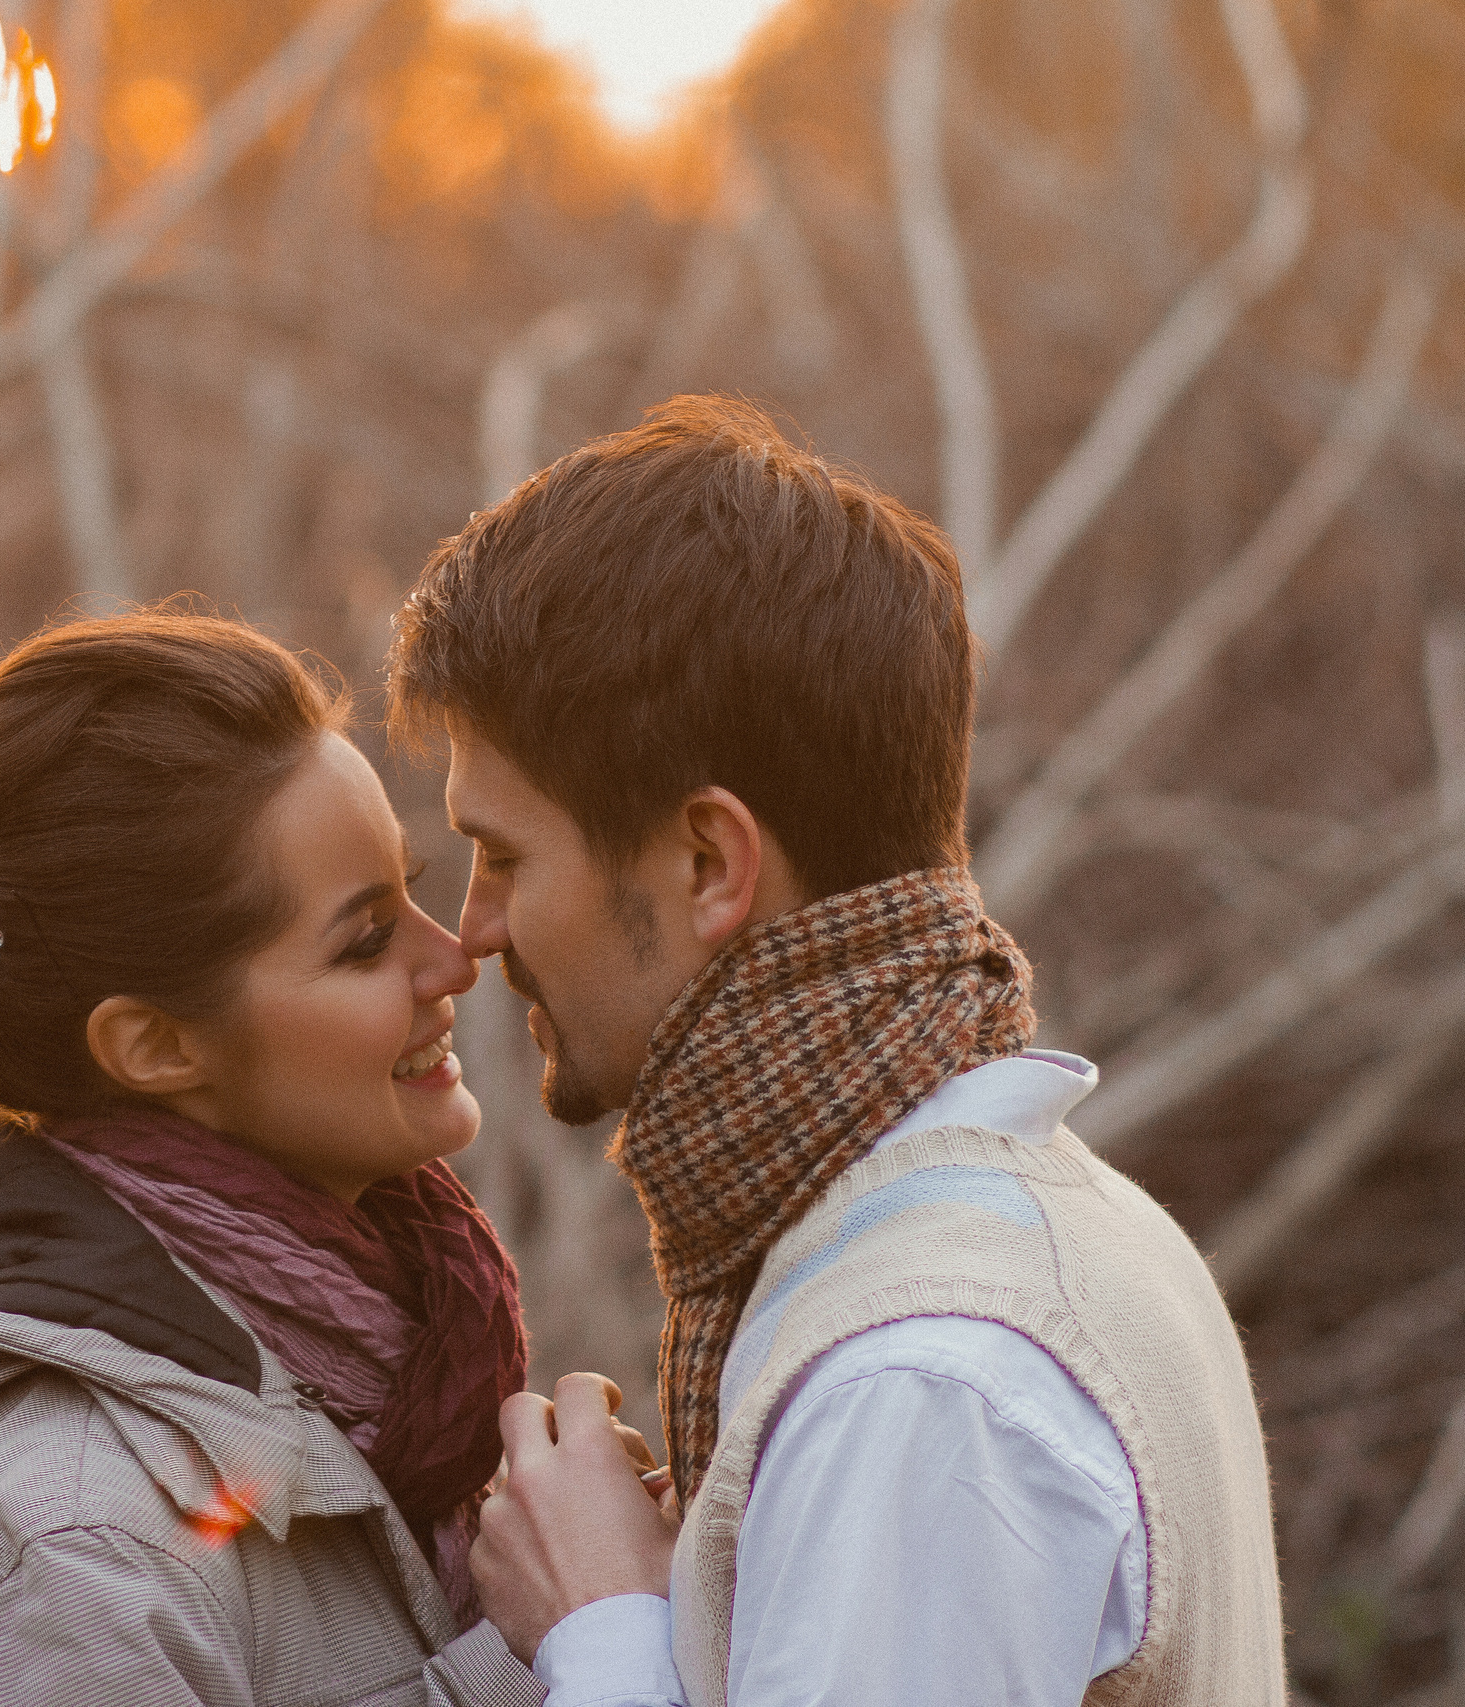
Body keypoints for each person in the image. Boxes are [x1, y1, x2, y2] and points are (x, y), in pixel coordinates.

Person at [387, 397, 1285, 1705]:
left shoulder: (919, 1386)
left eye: (505, 855)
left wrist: (607, 1627)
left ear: (708, 862)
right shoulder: (1044, 1229)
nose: (472, 932)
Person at [0, 611, 545, 1706]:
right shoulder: (66, 1553)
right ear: (156, 1047)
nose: (450, 958)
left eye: (412, 888)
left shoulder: (385, 1365)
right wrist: (548, 1655)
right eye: (363, 941)